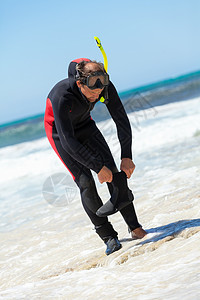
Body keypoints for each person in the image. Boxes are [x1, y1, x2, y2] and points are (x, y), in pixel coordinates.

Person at [44, 58, 147, 255]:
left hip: (86, 126)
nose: (97, 94)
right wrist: (96, 166)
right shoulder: (61, 95)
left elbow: (121, 120)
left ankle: (135, 228)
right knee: (86, 183)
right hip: (61, 135)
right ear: (80, 83)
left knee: (115, 173)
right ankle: (109, 237)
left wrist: (127, 155)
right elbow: (67, 141)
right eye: (92, 92)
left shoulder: (103, 85)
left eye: (100, 91)